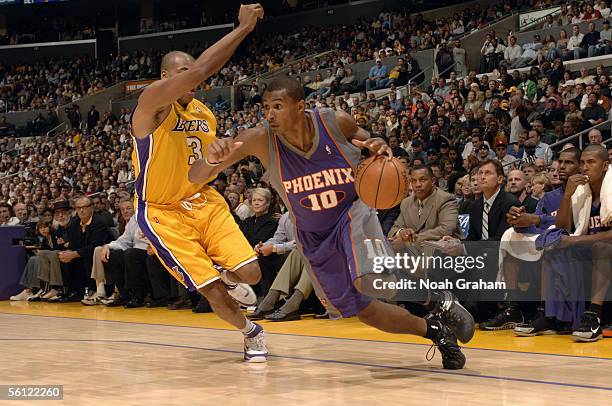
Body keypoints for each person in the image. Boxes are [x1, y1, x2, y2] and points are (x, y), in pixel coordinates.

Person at [190, 75, 476, 370]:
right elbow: (195, 177)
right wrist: (211, 160)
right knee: (364, 311)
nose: (270, 114)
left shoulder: (335, 122)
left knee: (376, 282)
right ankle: (437, 333)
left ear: (300, 106)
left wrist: (376, 146)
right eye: (265, 108)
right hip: (312, 235)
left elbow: (370, 144)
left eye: (278, 106)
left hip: (352, 213)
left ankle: (439, 301)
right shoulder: (261, 138)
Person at [129, 4, 268, 363]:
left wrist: (215, 160)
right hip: (161, 212)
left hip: (201, 199)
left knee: (251, 273)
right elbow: (203, 69)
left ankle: (231, 277)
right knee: (211, 290)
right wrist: (242, 29)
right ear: (165, 75)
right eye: (183, 73)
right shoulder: (151, 106)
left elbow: (200, 174)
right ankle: (251, 333)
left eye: (193, 73)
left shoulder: (204, 113)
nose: (193, 79)